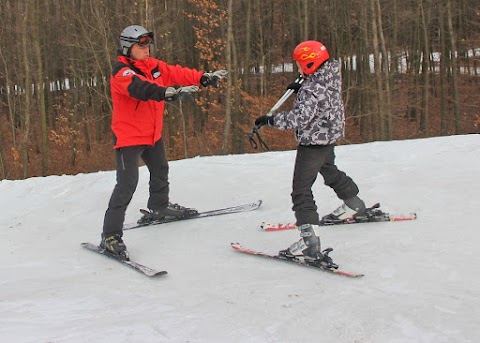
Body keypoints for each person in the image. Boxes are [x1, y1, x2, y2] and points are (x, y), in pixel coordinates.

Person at [102, 25, 227, 259]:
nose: (146, 49)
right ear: (129, 47)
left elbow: (177, 72)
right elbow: (140, 88)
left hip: (152, 134)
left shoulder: (153, 66)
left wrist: (203, 78)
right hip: (128, 137)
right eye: (141, 45)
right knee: (127, 183)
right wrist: (167, 93)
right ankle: (110, 235)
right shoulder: (121, 71)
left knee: (160, 170)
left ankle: (159, 207)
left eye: (148, 44)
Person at [254, 40, 366, 265]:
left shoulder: (312, 88)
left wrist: (271, 120)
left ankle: (309, 242)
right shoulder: (330, 75)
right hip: (329, 137)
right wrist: (302, 85)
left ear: (310, 63)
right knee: (330, 171)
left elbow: (299, 118)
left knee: (301, 190)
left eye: (299, 64)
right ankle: (355, 203)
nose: (297, 68)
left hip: (313, 142)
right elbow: (318, 95)